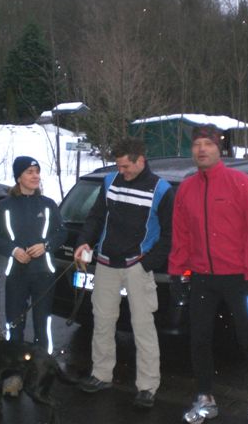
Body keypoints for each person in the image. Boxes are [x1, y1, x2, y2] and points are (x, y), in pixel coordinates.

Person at [168, 125, 248, 424]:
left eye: (208, 144)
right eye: (197, 144)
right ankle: (205, 398)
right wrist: (177, 271)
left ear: (219, 148)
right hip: (202, 278)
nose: (201, 149)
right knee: (199, 340)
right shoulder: (187, 188)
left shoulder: (240, 183)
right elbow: (181, 234)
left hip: (238, 278)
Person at [73, 136, 174, 409]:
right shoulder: (110, 182)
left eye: (126, 166)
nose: (122, 171)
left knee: (143, 328)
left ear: (140, 160)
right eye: (118, 166)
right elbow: (95, 217)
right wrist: (84, 241)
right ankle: (101, 374)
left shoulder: (161, 190)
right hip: (106, 264)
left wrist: (147, 263)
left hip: (137, 266)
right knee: (102, 322)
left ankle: (147, 387)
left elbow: (169, 235)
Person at [0, 156, 68, 396]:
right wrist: (13, 250)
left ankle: (46, 368)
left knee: (43, 323)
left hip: (43, 273)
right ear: (18, 177)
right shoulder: (4, 206)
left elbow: (61, 232)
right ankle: (14, 375)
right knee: (14, 324)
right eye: (29, 172)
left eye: (37, 171)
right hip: (17, 274)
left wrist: (46, 246)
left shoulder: (48, 204)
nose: (35, 176)